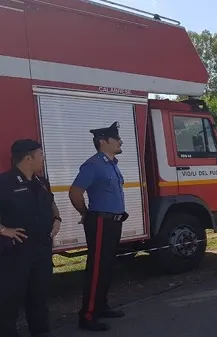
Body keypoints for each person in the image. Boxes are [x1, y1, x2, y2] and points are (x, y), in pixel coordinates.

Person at [69, 122, 128, 332]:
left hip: (113, 222)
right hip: (101, 221)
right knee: (96, 269)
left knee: (107, 267)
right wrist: (86, 214)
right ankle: (87, 315)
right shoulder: (93, 165)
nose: (120, 141)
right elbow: (75, 192)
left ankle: (101, 306)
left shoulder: (111, 163)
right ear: (103, 141)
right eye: (116, 138)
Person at [0, 139, 62, 337]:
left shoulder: (41, 182)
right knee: (9, 301)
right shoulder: (4, 182)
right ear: (28, 158)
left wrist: (57, 218)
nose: (43, 159)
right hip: (16, 253)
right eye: (40, 155)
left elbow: (51, 202)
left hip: (42, 250)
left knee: (39, 299)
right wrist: (3, 230)